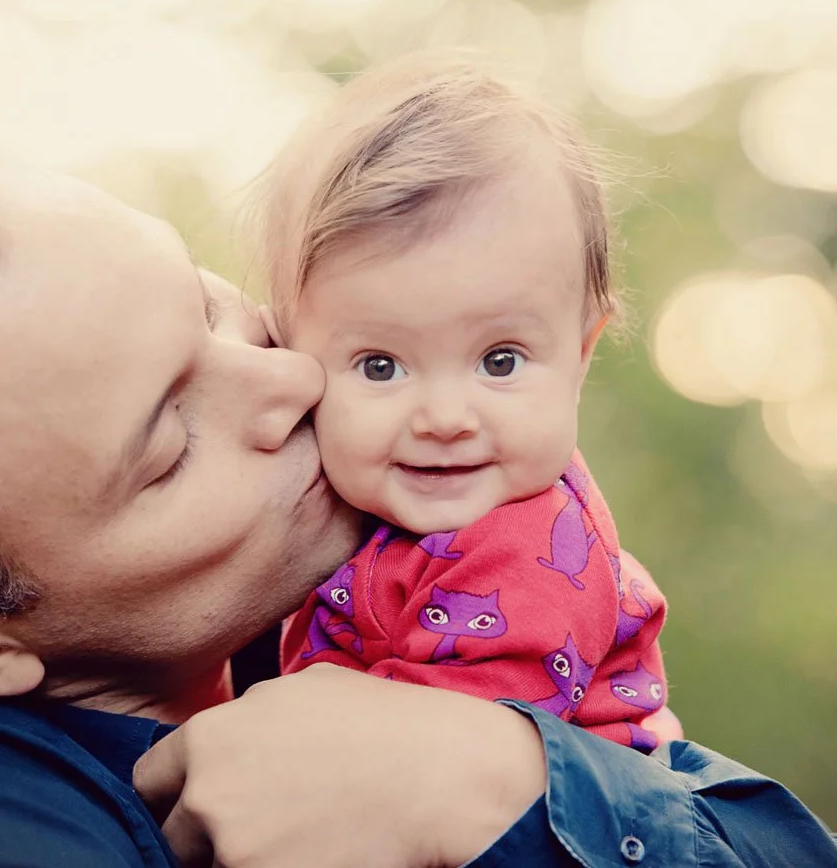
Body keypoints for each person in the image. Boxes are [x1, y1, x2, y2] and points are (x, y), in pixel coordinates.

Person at [0, 149, 837, 867]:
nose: (284, 378)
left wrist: (502, 782)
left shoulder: (354, 591)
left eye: (208, 307)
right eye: (168, 444)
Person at [262, 54, 673, 751]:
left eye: (499, 360)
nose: (445, 418)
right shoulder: (345, 507)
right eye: (382, 365)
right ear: (291, 358)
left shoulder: (527, 552)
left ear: (581, 355)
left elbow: (436, 760)